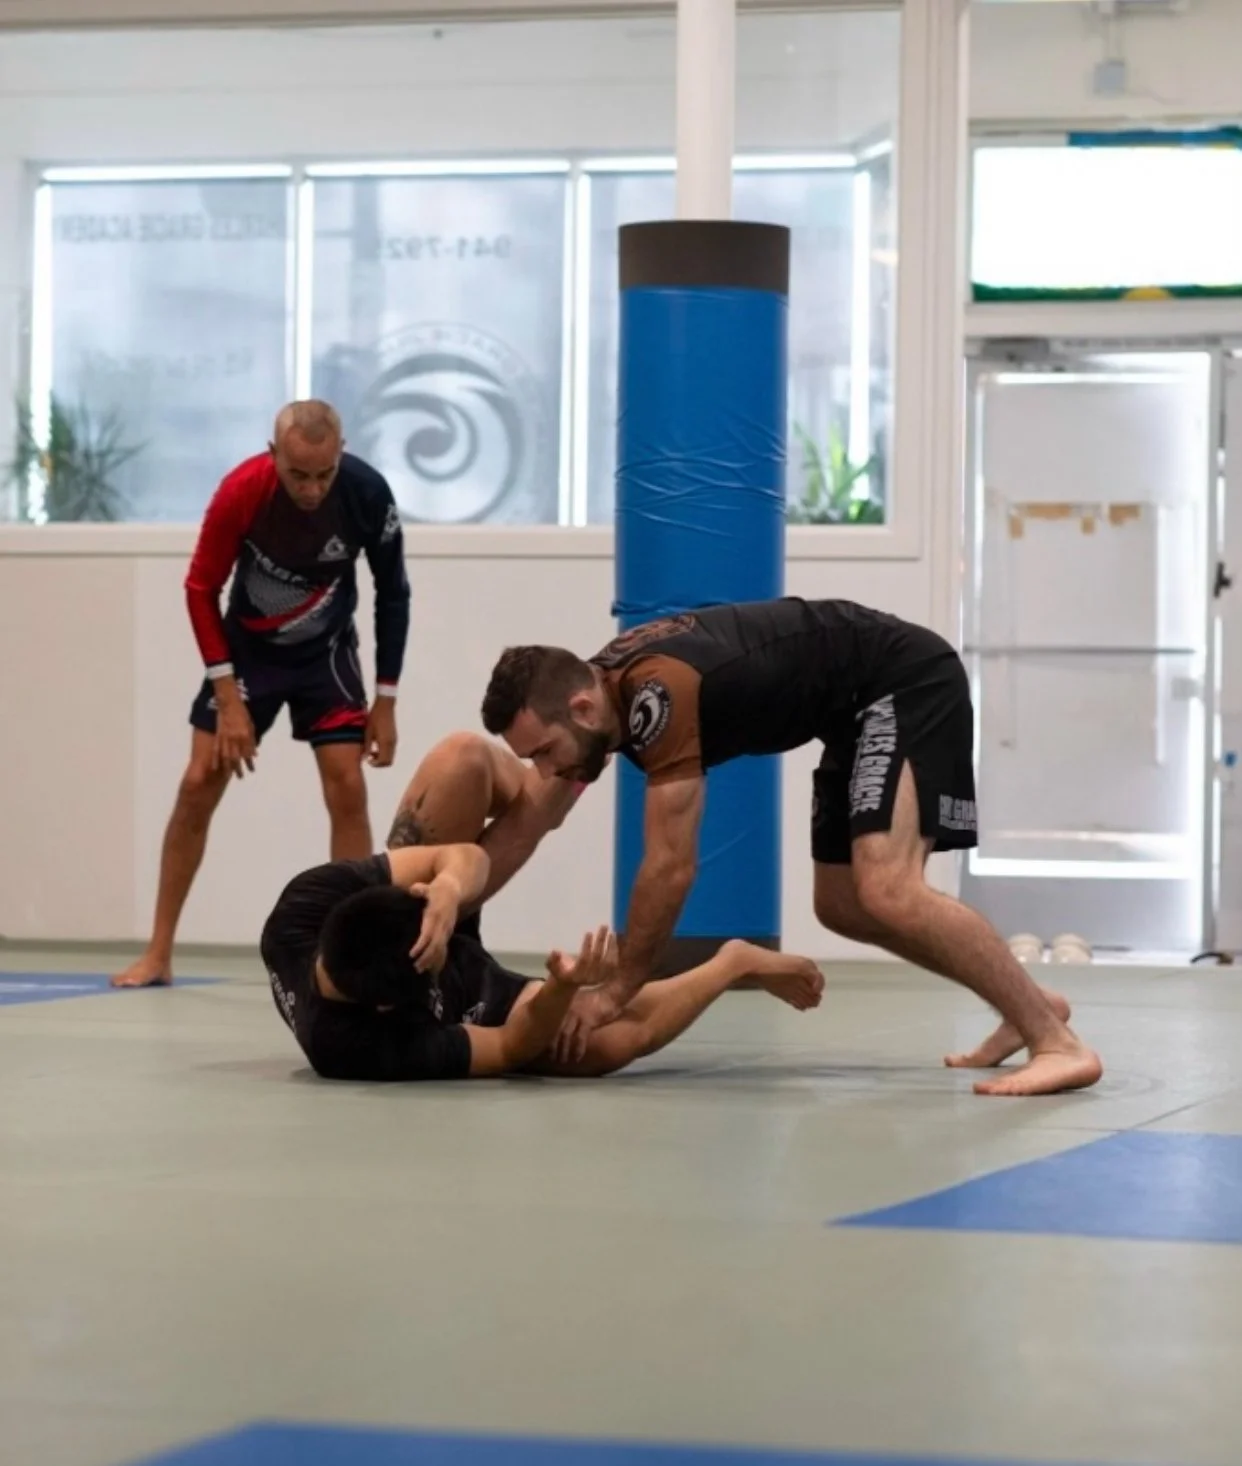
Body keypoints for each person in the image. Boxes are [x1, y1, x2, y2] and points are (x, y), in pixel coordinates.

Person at [479, 598, 1103, 1098]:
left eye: (542, 753)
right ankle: (1028, 1004)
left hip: (901, 681)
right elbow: (537, 818)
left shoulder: (655, 697)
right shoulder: (595, 702)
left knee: (889, 889)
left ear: (581, 709)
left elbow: (670, 866)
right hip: (848, 713)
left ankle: (1057, 1043)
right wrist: (455, 899)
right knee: (842, 905)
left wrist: (615, 992)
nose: (541, 770)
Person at [260, 733, 824, 1082]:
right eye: (432, 961)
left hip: (435, 905)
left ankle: (564, 778)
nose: (443, 952)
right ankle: (733, 961)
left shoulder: (306, 906)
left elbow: (457, 857)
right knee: (600, 1046)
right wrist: (561, 989)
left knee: (463, 756)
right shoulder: (358, 1048)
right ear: (389, 1007)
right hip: (472, 1001)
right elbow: (508, 1046)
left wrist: (448, 893)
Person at [113, 401, 411, 989]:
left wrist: (386, 700)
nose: (311, 487)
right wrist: (227, 698)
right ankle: (159, 950)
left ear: (341, 452)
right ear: (273, 456)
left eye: (323, 474)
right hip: (248, 656)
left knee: (347, 783)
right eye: (298, 474)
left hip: (326, 655)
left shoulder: (366, 493)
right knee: (199, 781)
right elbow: (200, 589)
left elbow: (393, 592)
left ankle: (343, 958)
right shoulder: (241, 493)